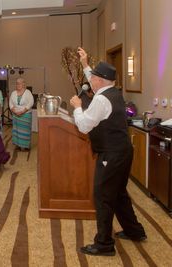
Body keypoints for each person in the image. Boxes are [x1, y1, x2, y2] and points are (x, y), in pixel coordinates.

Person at [69, 47, 146, 257]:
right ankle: (135, 231)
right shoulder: (113, 92)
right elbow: (95, 79)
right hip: (123, 152)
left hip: (111, 155)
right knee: (119, 193)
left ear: (100, 81)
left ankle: (103, 244)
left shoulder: (101, 100)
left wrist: (77, 106)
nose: (90, 79)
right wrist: (85, 64)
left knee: (103, 196)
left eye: (93, 77)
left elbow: (84, 126)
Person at [9, 78, 34, 151]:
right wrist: (14, 111)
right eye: (17, 83)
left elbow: (31, 102)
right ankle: (18, 145)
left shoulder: (28, 92)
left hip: (26, 114)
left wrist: (22, 111)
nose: (18, 84)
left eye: (20, 83)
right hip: (16, 115)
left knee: (25, 131)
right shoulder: (13, 93)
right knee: (16, 131)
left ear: (24, 84)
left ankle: (26, 146)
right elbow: (10, 103)